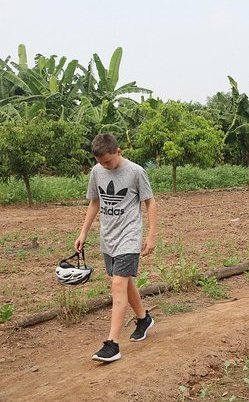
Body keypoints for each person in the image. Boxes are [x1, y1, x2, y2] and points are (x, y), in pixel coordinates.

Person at [75, 133, 157, 363]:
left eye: (109, 161)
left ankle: (112, 344)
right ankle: (143, 319)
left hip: (129, 236)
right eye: (101, 163)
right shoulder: (97, 171)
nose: (105, 166)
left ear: (118, 151)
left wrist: (151, 236)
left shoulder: (136, 172)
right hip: (107, 237)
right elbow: (95, 201)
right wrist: (83, 232)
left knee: (118, 283)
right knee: (125, 281)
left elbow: (150, 202)